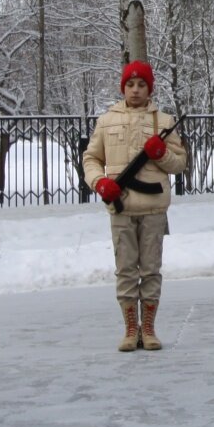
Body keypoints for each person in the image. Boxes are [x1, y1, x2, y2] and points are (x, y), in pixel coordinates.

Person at [83, 60, 187, 351]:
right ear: (123, 87)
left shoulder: (164, 123)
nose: (136, 90)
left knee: (151, 270)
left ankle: (149, 329)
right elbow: (91, 159)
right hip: (121, 208)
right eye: (131, 84)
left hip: (154, 209)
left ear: (150, 88)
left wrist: (162, 153)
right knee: (126, 270)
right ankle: (131, 330)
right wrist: (100, 183)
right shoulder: (106, 121)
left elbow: (180, 163)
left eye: (142, 85)